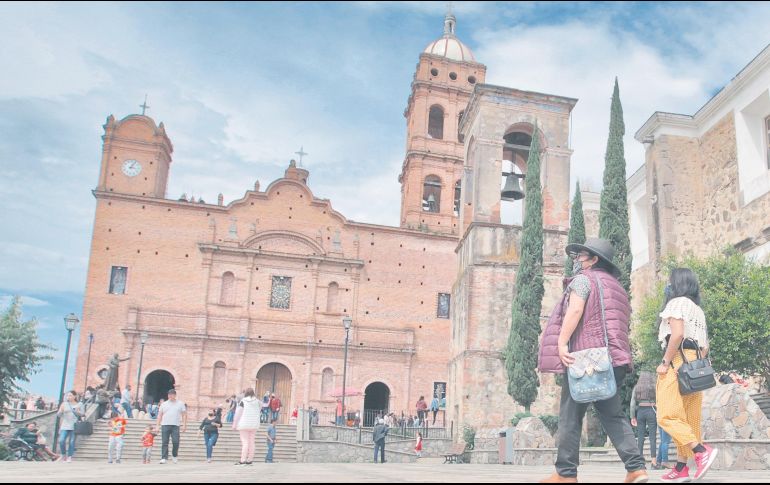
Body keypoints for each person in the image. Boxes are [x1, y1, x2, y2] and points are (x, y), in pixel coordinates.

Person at [538, 238, 647, 483]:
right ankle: (636, 468)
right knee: (612, 414)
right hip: (614, 359)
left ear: (594, 260)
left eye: (582, 256)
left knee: (570, 414)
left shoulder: (584, 280)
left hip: (586, 360)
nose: (577, 259)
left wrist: (561, 342)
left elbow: (575, 310)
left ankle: (565, 474)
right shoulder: (617, 287)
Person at [656, 269, 718, 482]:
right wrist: (695, 362)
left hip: (677, 362)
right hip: (695, 364)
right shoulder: (697, 310)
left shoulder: (676, 304)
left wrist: (665, 362)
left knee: (666, 415)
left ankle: (701, 451)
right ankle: (681, 467)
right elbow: (705, 346)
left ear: (677, 283)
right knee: (689, 418)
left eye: (670, 280)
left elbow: (678, 334)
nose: (668, 284)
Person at [630, 371, 659, 469]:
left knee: (640, 438)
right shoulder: (654, 387)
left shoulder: (637, 387)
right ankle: (654, 463)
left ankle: (640, 463)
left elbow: (632, 403)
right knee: (652, 438)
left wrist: (632, 416)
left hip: (640, 412)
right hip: (651, 410)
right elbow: (659, 400)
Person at [156, 389, 187, 464]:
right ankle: (164, 457)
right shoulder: (164, 404)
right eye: (169, 394)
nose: (170, 396)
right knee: (164, 442)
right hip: (165, 424)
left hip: (175, 425)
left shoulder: (180, 404)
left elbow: (184, 415)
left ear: (175, 395)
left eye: (172, 394)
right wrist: (157, 425)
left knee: (176, 442)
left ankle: (174, 455)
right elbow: (160, 415)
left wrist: (184, 424)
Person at [232, 387, 261, 466]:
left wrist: (234, 424)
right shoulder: (258, 401)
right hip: (254, 424)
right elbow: (260, 410)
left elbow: (238, 413)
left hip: (244, 424)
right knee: (252, 442)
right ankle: (250, 459)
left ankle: (243, 460)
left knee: (245, 442)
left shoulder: (243, 401)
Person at [56, 391, 84, 462]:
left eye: (70, 395)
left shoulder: (79, 404)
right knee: (61, 440)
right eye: (67, 396)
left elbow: (83, 414)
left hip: (74, 425)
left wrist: (77, 411)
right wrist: (60, 411)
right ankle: (63, 455)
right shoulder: (64, 404)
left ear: (74, 396)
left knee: (71, 442)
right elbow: (58, 415)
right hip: (65, 425)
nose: (68, 397)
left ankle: (69, 456)